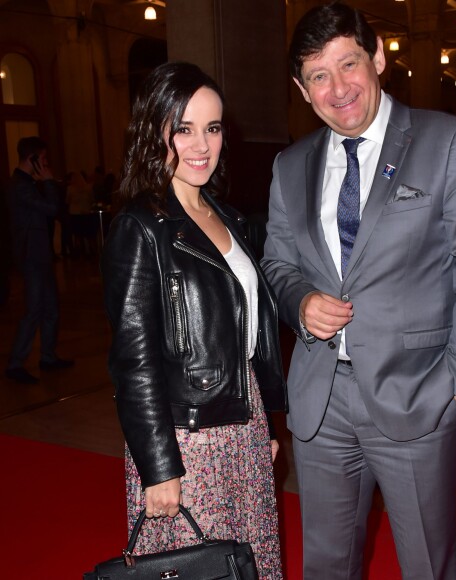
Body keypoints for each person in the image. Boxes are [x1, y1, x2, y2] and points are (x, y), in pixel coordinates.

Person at [261, 3, 456, 579]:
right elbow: (277, 263)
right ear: (302, 89)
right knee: (326, 566)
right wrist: (299, 301)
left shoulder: (448, 142)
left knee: (427, 565)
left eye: (348, 64)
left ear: (377, 58)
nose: (338, 87)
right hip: (321, 405)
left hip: (418, 398)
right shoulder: (289, 166)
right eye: (318, 75)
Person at [101, 61, 287, 579]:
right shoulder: (138, 228)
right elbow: (132, 361)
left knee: (249, 562)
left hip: (242, 426)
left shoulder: (225, 215)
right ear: (152, 131)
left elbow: (247, 332)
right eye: (182, 129)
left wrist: (264, 418)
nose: (201, 144)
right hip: (187, 441)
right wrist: (159, 468)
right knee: (201, 567)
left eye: (212, 127)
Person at [5, 137, 74, 384]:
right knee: (34, 309)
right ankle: (15, 363)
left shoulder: (27, 184)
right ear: (32, 159)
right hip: (30, 255)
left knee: (51, 308)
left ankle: (47, 356)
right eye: (42, 160)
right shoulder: (19, 186)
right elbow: (51, 208)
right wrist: (48, 183)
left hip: (39, 254)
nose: (46, 165)